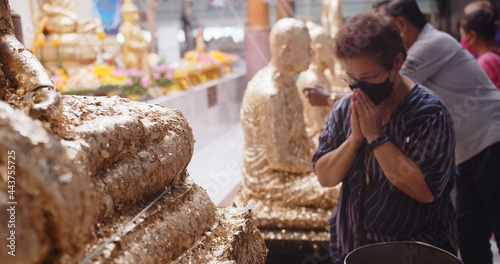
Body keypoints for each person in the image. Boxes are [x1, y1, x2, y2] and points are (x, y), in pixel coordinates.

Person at [312, 11, 458, 264]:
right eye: (351, 79)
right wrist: (355, 140)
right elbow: (325, 176)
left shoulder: (429, 113)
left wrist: (377, 138)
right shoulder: (345, 108)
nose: (358, 88)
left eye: (370, 78)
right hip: (350, 247)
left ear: (396, 63)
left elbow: (425, 191)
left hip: (414, 252)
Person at [379, 1, 500, 263]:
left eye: (383, 32)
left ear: (401, 25)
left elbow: (387, 90)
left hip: (492, 142)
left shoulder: (431, 44)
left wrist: (334, 97)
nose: (380, 44)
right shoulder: (424, 46)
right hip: (466, 153)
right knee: (469, 236)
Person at [239, 18, 340, 216]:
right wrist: (319, 168)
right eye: (305, 48)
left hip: (293, 168)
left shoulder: (287, 81)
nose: (312, 54)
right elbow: (279, 160)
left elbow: (301, 139)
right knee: (340, 189)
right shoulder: (270, 93)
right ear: (286, 52)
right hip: (271, 180)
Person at [461, 9, 500, 88]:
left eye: (463, 37)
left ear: (472, 36)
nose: (463, 42)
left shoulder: (485, 63)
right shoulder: (496, 56)